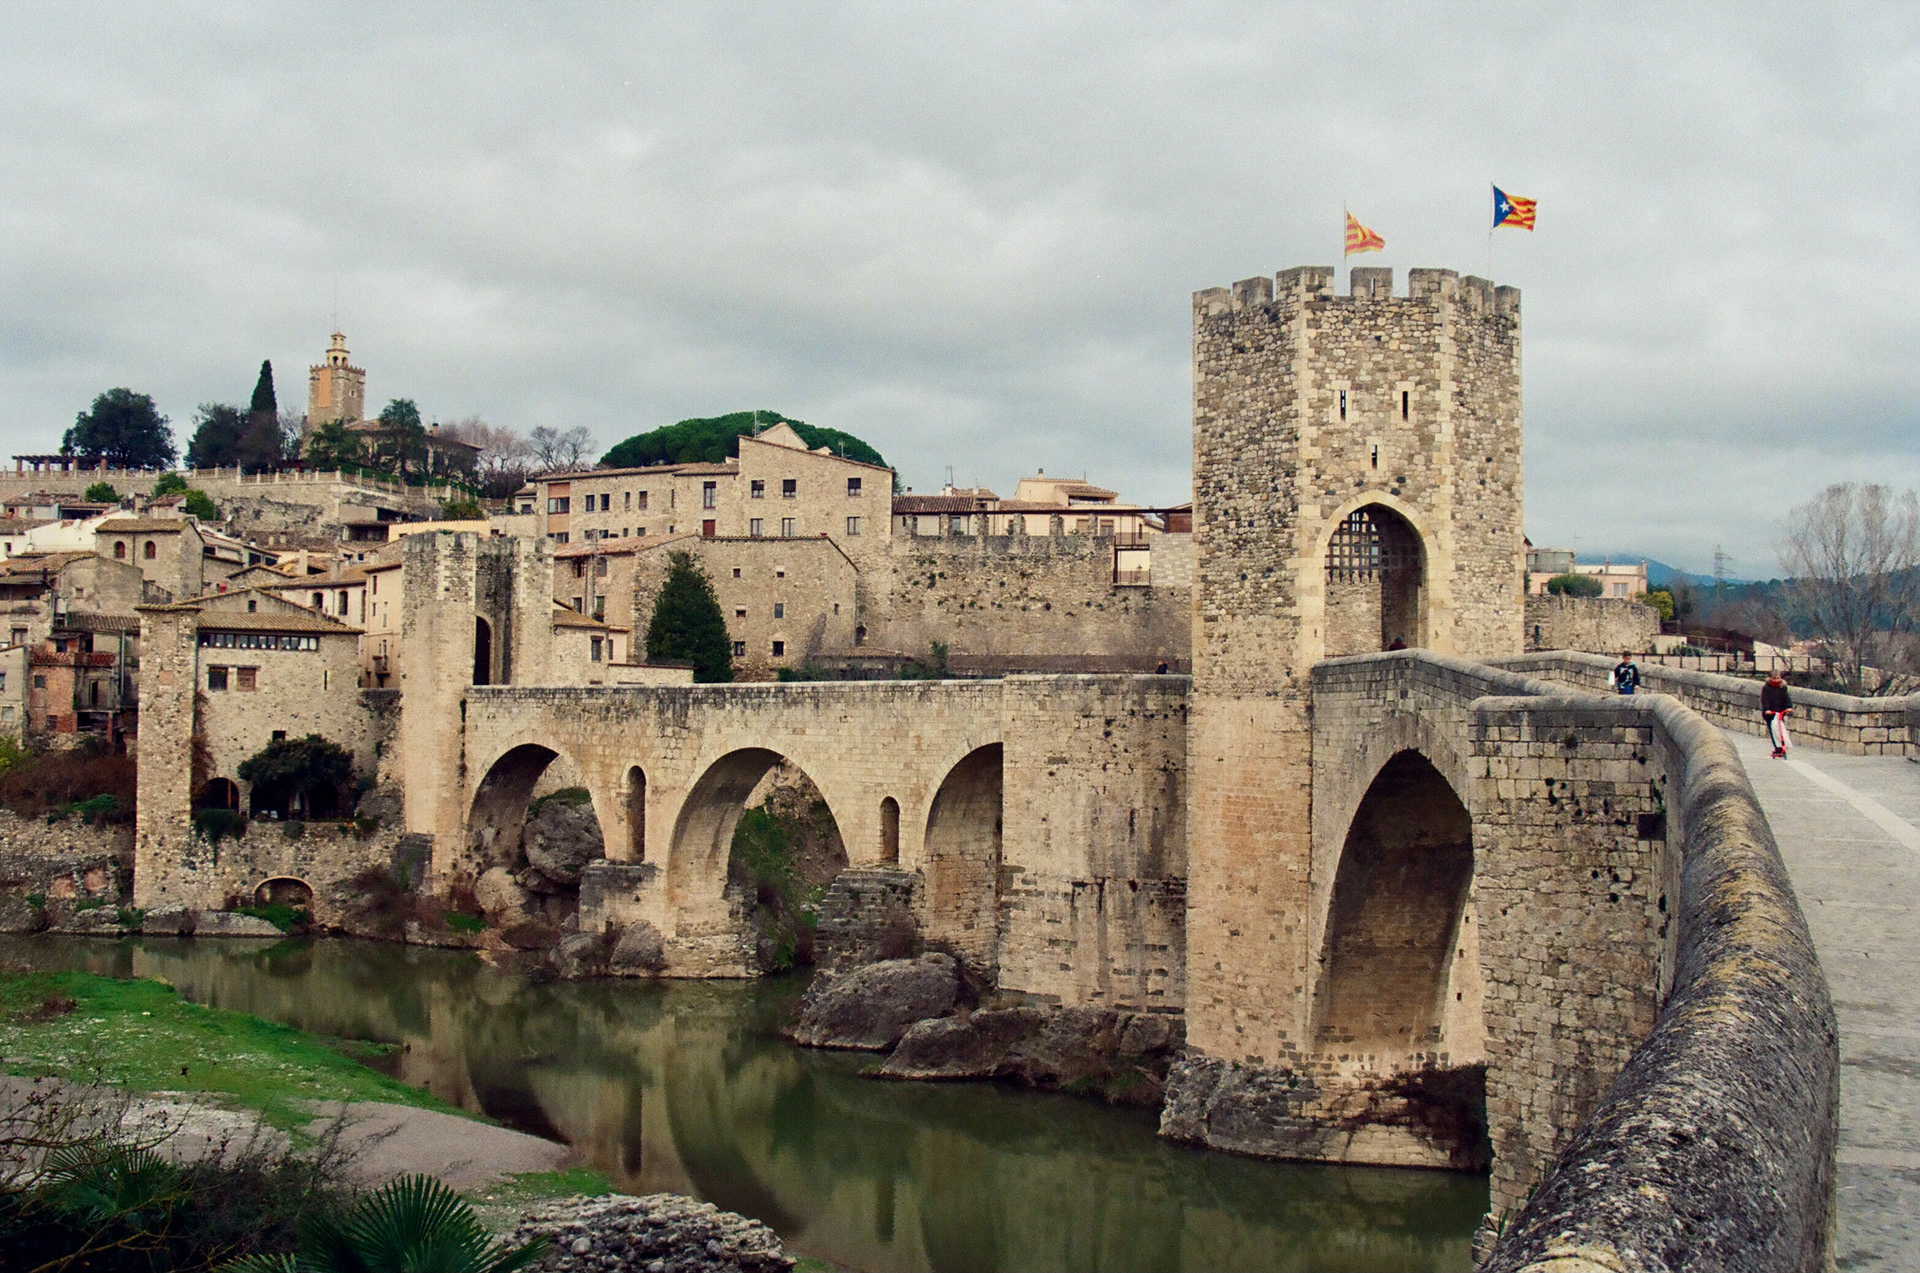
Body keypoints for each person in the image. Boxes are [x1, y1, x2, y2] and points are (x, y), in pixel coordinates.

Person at [1762, 672, 1793, 758]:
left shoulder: (1782, 687)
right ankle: (1777, 747)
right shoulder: (1767, 688)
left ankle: (1783, 745)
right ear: (1770, 678)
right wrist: (1767, 709)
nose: (1776, 680)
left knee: (1780, 728)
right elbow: (1764, 699)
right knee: (1773, 729)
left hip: (1780, 711)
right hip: (1770, 713)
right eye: (1774, 678)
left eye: (1778, 678)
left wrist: (1789, 707)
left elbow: (1787, 698)